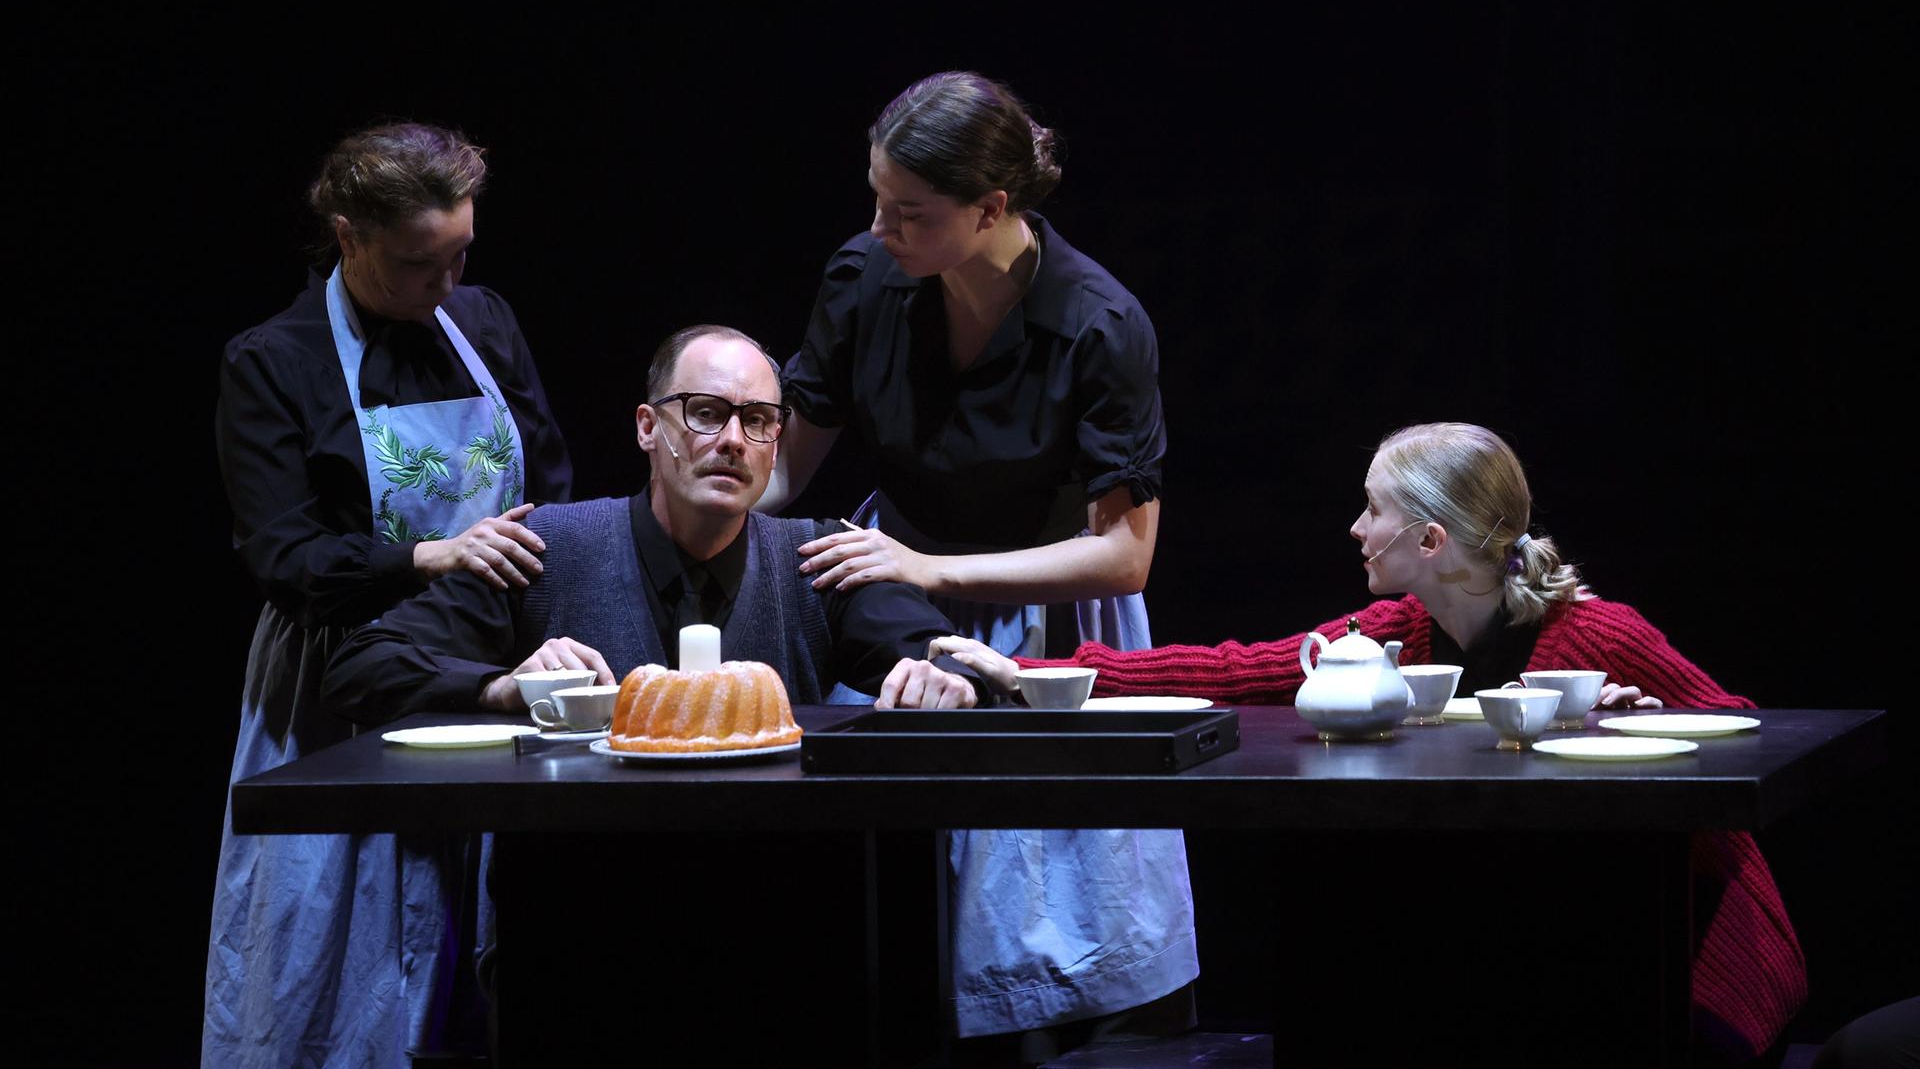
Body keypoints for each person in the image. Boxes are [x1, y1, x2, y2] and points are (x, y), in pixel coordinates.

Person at [940, 422, 1810, 1064]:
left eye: (1372, 511)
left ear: (1430, 540)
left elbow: (1742, 729)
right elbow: (1238, 670)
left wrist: (1643, 720)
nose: (1355, 530)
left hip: (1683, 944)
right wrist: (1024, 672)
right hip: (1553, 934)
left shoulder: (1592, 635)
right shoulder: (1401, 632)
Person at [759, 71, 1194, 1055]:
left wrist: (927, 573)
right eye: (874, 198)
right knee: (888, 918)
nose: (879, 229)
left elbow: (1125, 558)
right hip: (889, 602)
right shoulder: (866, 278)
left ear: (992, 208)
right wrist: (693, 512)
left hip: (1035, 612)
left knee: (1032, 939)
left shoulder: (1096, 325)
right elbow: (786, 462)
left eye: (907, 212)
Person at [205, 123, 573, 1067]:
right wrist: (427, 559)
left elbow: (553, 487)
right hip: (340, 685)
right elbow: (285, 558)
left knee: (486, 951)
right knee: (340, 958)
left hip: (489, 664)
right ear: (348, 236)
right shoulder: (274, 360)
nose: (445, 284)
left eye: (460, 256)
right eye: (420, 264)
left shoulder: (483, 321)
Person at [323, 324, 984, 724]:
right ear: (647, 427)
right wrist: (502, 688)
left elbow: (955, 661)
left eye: (757, 420)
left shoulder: (817, 561)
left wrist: (943, 678)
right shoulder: (549, 549)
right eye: (705, 411)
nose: (733, 439)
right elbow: (361, 668)